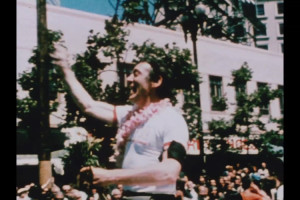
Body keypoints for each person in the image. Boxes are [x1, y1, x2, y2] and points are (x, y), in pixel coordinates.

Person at [52, 44, 189, 200]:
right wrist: (64, 68)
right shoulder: (129, 114)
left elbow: (169, 173)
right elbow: (89, 105)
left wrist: (111, 176)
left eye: (136, 74)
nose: (129, 79)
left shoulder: (172, 119)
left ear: (156, 81)